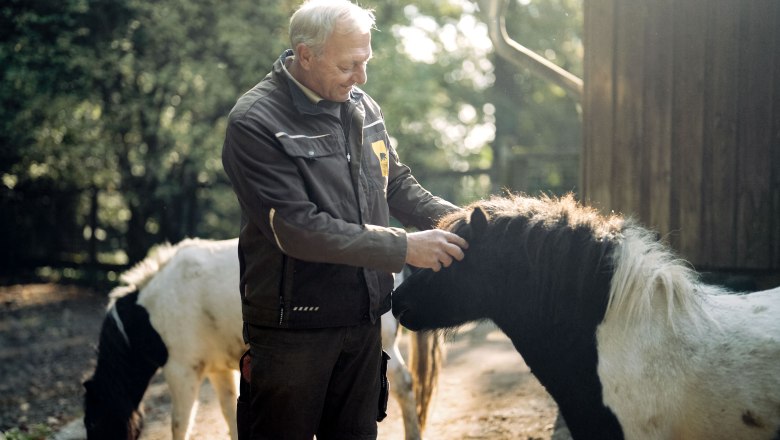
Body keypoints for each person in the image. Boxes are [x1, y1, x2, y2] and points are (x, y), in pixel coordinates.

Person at [221, 1, 468, 438]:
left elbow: (395, 185)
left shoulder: (362, 106)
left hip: (364, 323)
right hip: (292, 333)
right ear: (306, 55)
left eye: (366, 61)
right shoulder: (255, 122)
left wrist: (462, 221)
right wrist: (404, 247)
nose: (362, 77)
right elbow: (298, 229)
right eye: (349, 65)